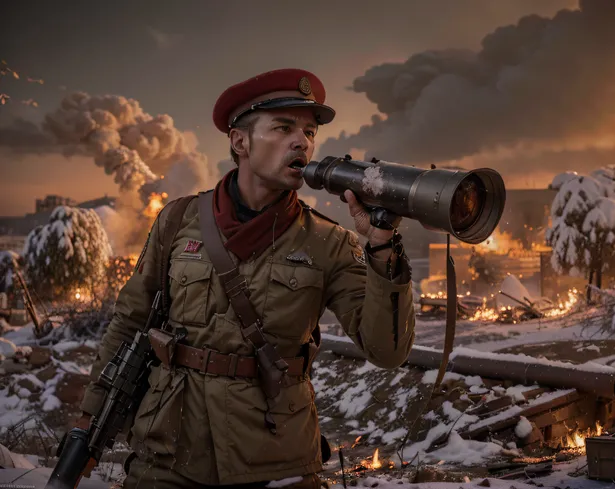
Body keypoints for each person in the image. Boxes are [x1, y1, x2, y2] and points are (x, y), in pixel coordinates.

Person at [76, 68, 416, 488]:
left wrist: (382, 247)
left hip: (276, 459)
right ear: (240, 141)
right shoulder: (178, 220)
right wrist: (88, 421)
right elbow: (130, 322)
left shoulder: (330, 242)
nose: (302, 142)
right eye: (284, 127)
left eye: (309, 132)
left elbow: (387, 350)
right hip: (168, 453)